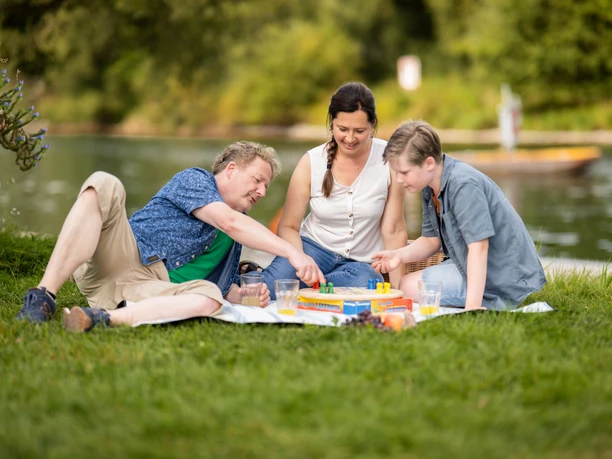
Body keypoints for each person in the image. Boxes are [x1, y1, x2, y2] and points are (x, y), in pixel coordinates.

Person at [16, 141, 325, 331]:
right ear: (231, 169)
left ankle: (102, 318)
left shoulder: (235, 236)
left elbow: (225, 288)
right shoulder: (195, 180)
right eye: (258, 180)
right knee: (104, 182)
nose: (261, 191)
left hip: (146, 290)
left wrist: (247, 295)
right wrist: (292, 252)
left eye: (266, 187)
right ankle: (44, 296)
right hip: (121, 257)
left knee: (209, 298)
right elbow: (228, 221)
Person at [371, 121, 546, 310]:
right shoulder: (429, 186)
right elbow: (431, 241)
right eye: (396, 172)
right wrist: (398, 255)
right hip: (469, 264)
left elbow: (479, 247)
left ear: (429, 163)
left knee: (409, 288)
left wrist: (472, 308)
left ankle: (498, 301)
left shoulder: (463, 185)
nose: (398, 179)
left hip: (502, 277)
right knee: (407, 285)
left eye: (404, 172)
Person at [260, 82, 407, 298]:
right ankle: (316, 289)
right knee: (271, 287)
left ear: (373, 125)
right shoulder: (311, 162)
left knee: (368, 282)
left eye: (359, 131)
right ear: (332, 123)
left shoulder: (390, 160)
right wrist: (303, 261)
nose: (349, 138)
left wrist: (398, 292)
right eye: (342, 129)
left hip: (359, 264)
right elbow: (288, 226)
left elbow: (394, 230)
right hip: (312, 249)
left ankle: (310, 290)